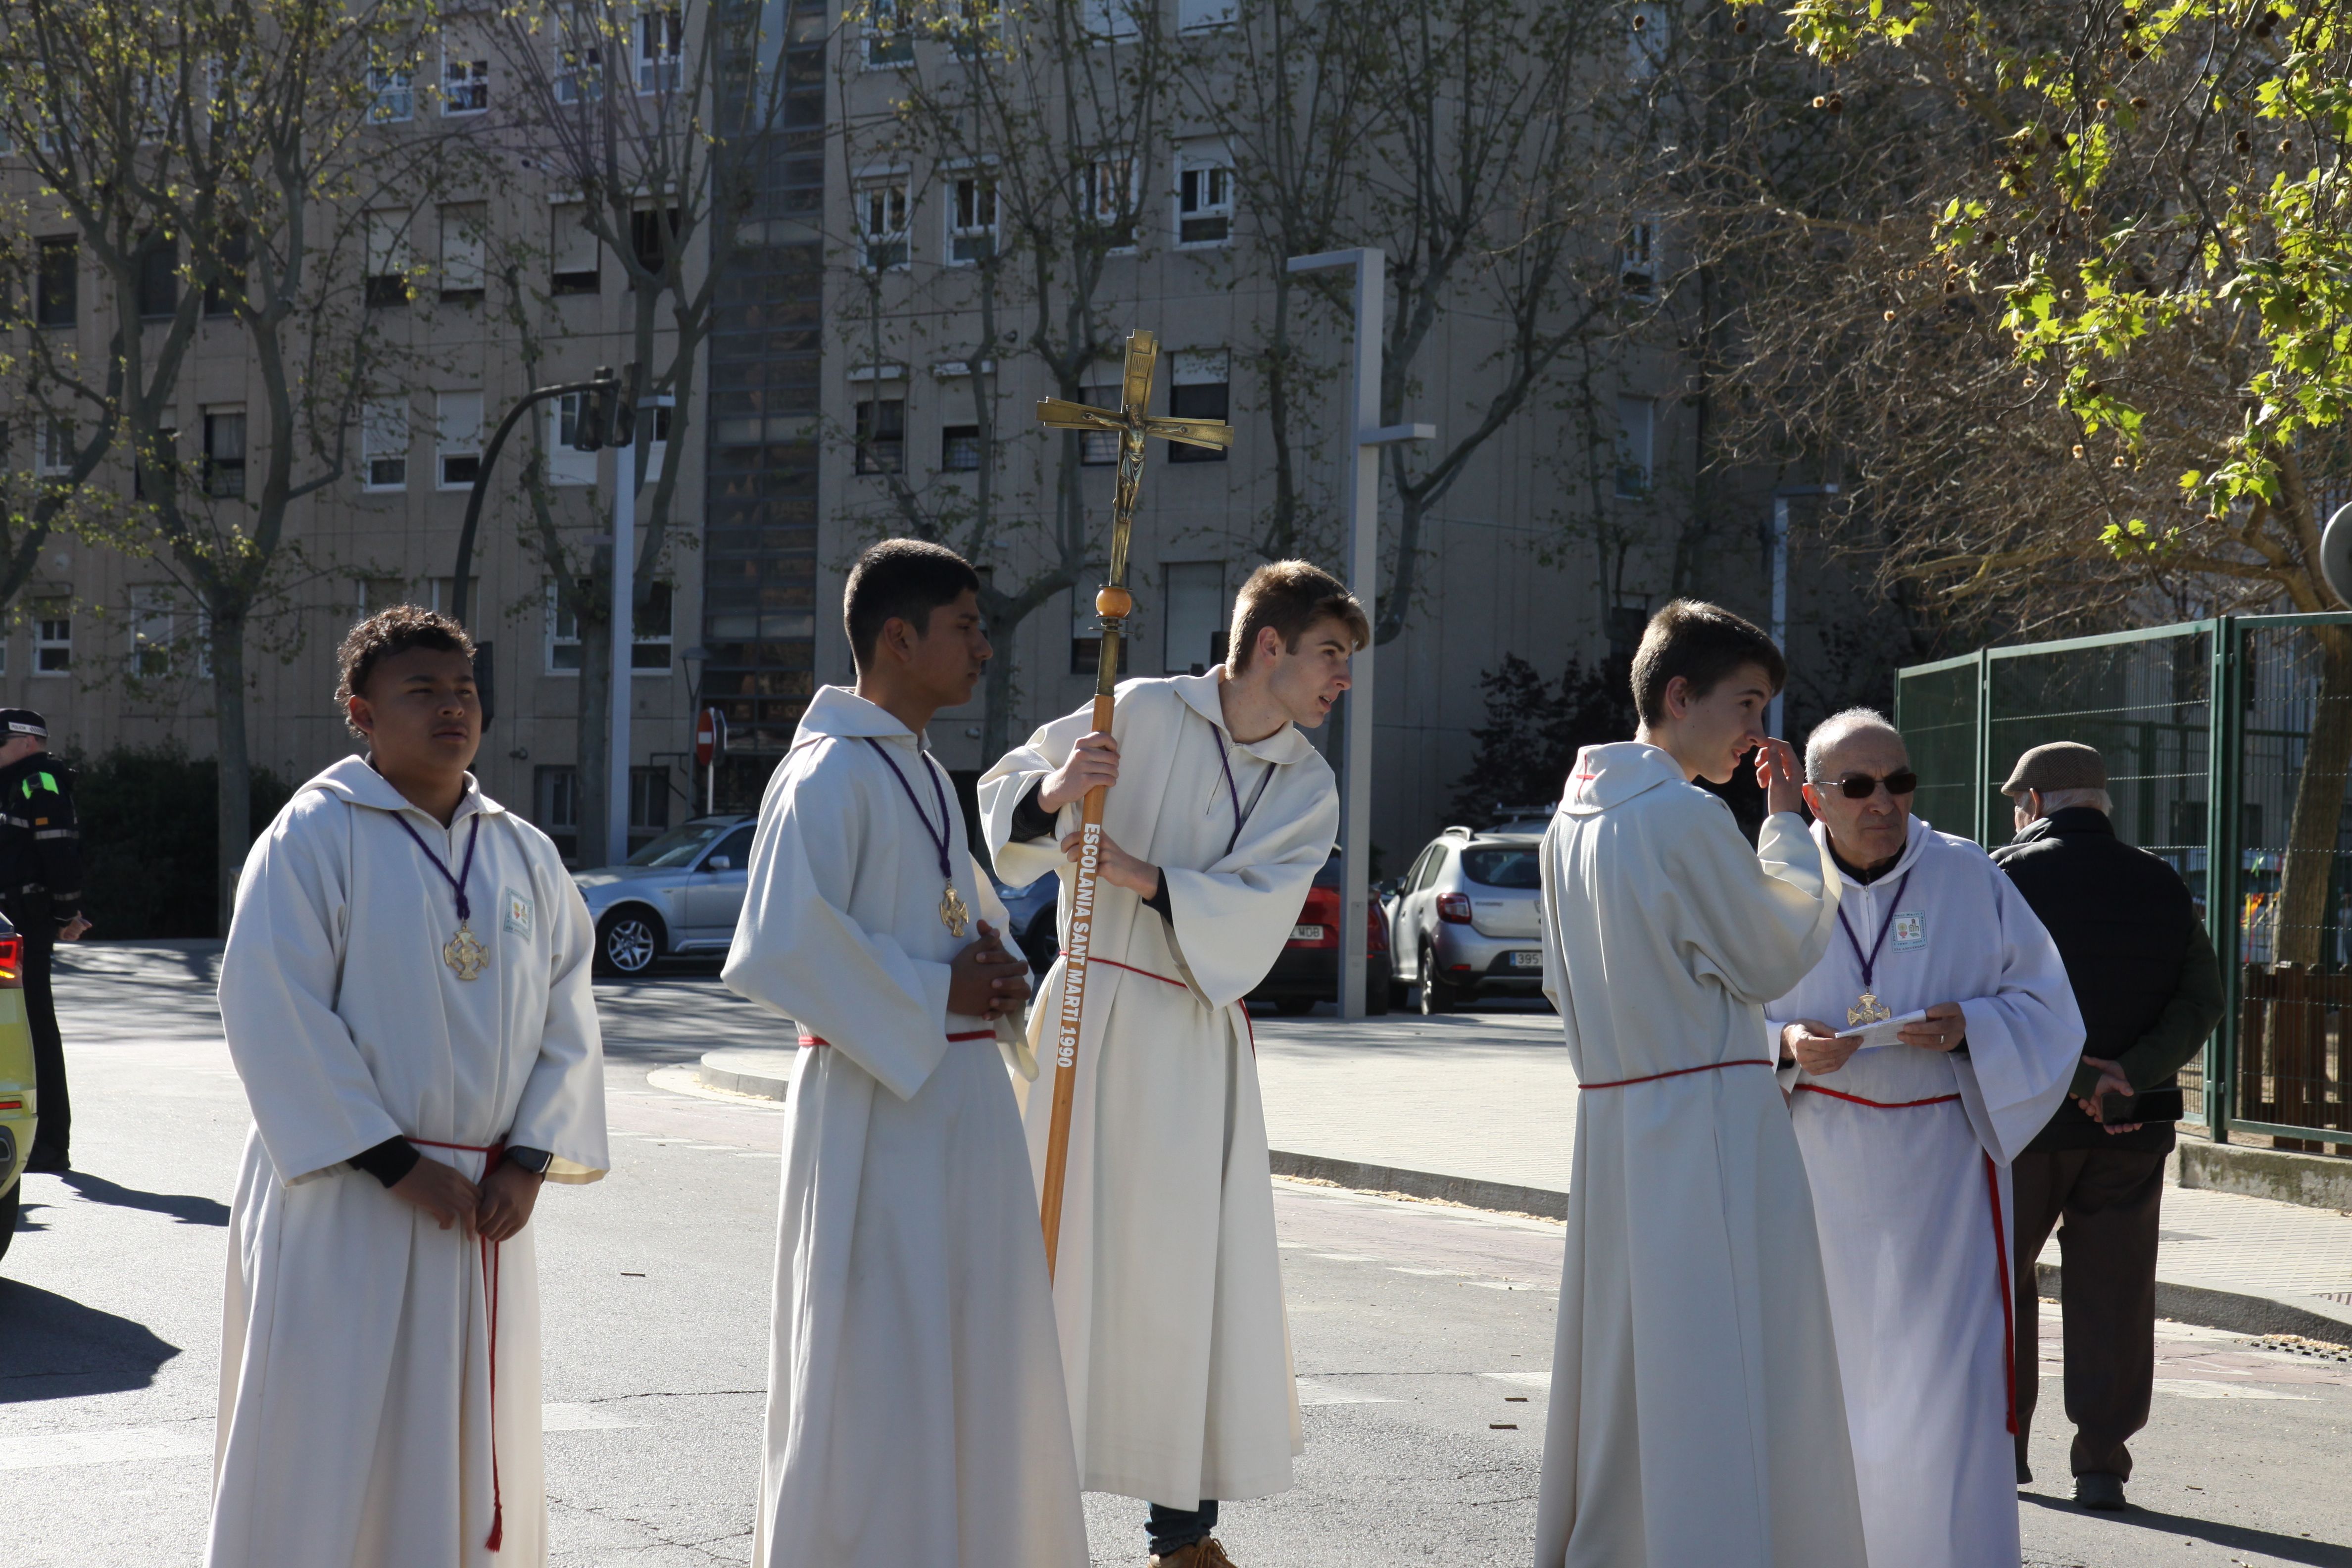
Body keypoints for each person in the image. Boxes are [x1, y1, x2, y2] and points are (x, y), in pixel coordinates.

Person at [979, 559, 1363, 1568]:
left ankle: (1182, 1538)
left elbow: (1257, 914)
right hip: (1088, 1012)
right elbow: (1006, 798)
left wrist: (1143, 874)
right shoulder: (1141, 709)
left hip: (1193, 1035)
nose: (1343, 679)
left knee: (1184, 1275)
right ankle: (1012, 1499)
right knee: (1054, 1254)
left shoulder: (1308, 784)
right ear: (1269, 645)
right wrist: (1060, 790)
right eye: (1330, 653)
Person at [207, 608, 608, 1567]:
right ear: (362, 712)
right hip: (350, 1197)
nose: (451, 708)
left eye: (464, 690)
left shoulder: (524, 851)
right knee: (330, 1440)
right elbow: (274, 1006)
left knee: (464, 1447)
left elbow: (569, 1014)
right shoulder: (314, 834)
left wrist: (529, 1161)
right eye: (421, 691)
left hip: (483, 1204)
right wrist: (396, 1163)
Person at [723, 539, 1087, 1568]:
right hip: (874, 1111)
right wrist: (939, 992)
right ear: (898, 636)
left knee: (968, 1351)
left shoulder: (920, 769)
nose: (984, 647)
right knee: (879, 1360)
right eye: (966, 626)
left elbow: (958, 917)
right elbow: (779, 942)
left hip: (958, 1103)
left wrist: (1001, 969)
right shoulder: (828, 772)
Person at [1529, 600, 1864, 1568]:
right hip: (1708, 1123)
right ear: (1679, 696)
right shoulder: (1680, 813)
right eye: (1746, 703)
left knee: (1630, 1366)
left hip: (1614, 1122)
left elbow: (1559, 983)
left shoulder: (1568, 819)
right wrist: (1787, 827)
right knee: (1727, 1357)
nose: (1757, 729)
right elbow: (1769, 951)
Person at [1768, 710, 2082, 1568]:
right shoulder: (1780, 880)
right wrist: (1784, 1043)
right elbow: (1722, 1016)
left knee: (1947, 1378)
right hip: (1817, 1157)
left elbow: (2049, 1007)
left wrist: (1973, 1025)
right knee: (1824, 1370)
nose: (1884, 801)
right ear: (1813, 798)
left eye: (1898, 781)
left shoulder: (1968, 874)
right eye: (1858, 786)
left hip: (1944, 1162)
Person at [1992, 741, 2223, 1513]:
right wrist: (2131, 1075)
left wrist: (2080, 1078)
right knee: (2116, 1291)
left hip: (2024, 1122)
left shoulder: (2004, 878)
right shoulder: (2161, 881)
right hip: (2134, 1126)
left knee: (2000, 1281)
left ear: (2033, 803)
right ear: (2100, 801)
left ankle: (2002, 1446)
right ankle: (2101, 1463)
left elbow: (1990, 999)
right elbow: (2203, 1000)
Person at [0, 708, 90, 1173]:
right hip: (9, 919)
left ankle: (51, 1143)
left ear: (29, 742)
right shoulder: (12, 784)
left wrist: (64, 915)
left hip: (25, 920)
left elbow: (60, 855)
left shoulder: (41, 784)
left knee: (33, 1028)